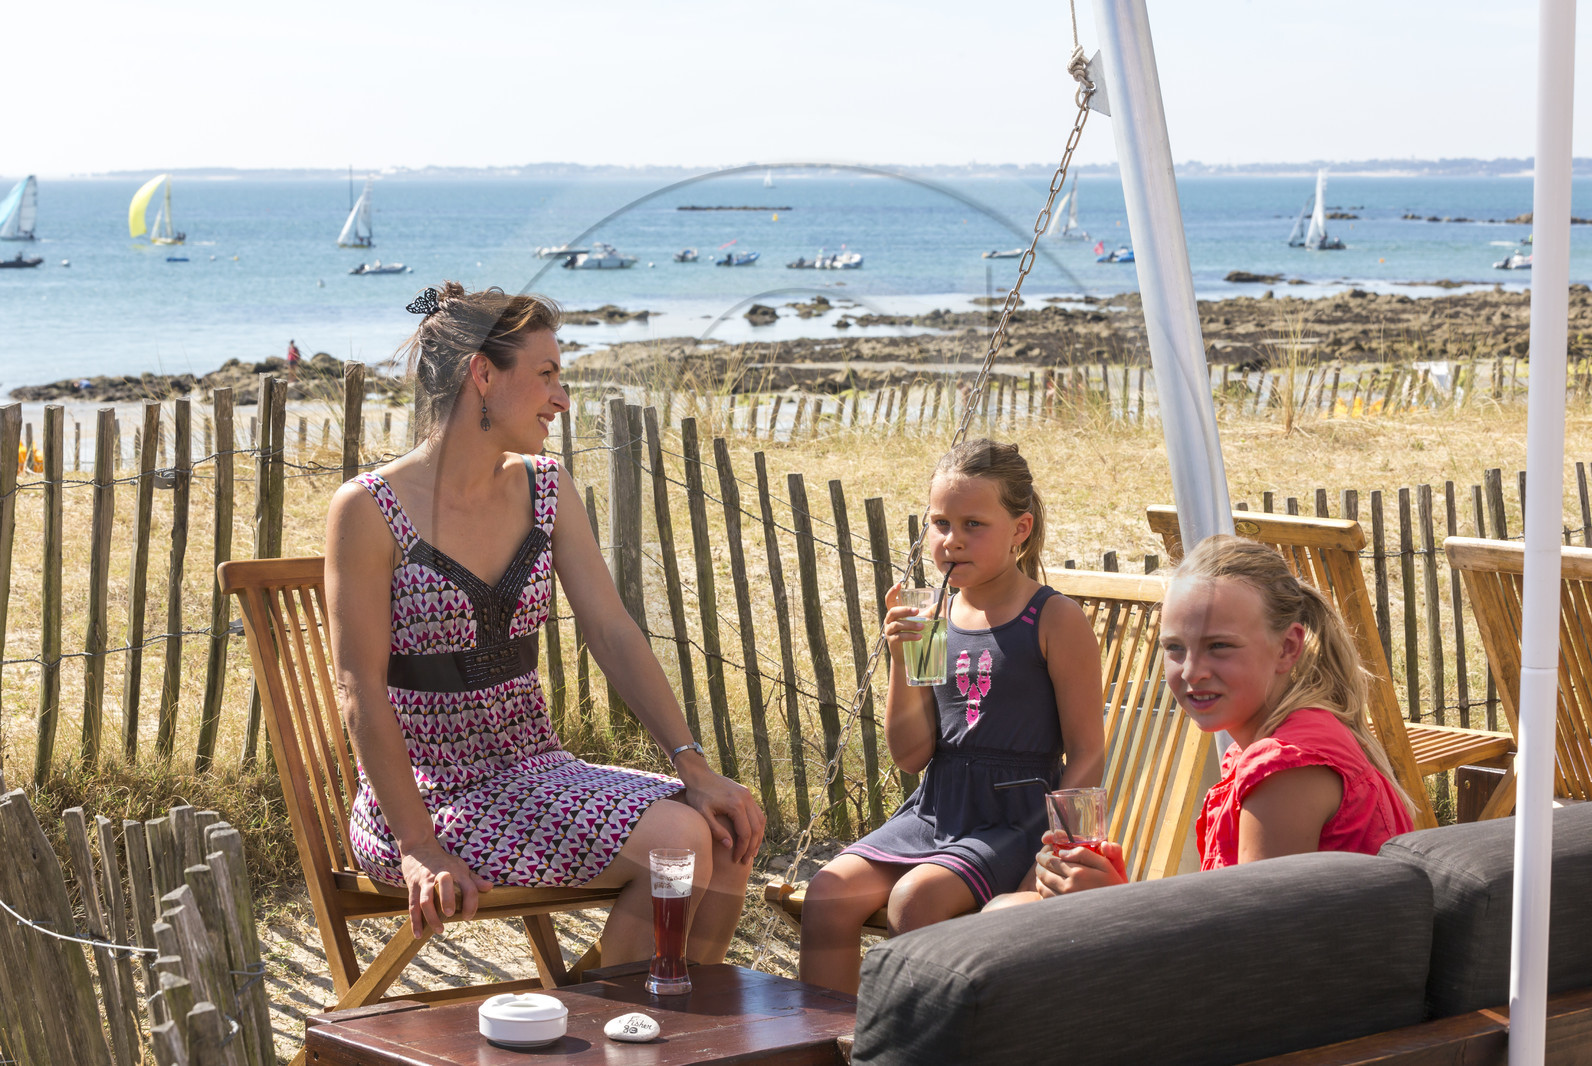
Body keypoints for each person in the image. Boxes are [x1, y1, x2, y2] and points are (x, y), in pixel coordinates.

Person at [326, 282, 764, 966]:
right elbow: (360, 689)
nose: (562, 399)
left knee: (726, 829)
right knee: (678, 844)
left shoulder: (545, 487)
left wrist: (694, 766)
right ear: (482, 375)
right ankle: (624, 1031)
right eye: (547, 375)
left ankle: (669, 1032)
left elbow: (612, 633)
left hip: (537, 773)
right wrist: (419, 847)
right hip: (429, 801)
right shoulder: (369, 508)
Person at [797, 439, 1105, 993]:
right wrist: (902, 654)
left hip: (1015, 818)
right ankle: (826, 1049)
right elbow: (911, 756)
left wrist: (1054, 854)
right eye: (939, 523)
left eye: (972, 524)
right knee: (826, 894)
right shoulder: (932, 617)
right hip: (938, 807)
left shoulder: (1054, 620)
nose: (951, 541)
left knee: (914, 900)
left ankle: (912, 1044)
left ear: (1020, 528)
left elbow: (1087, 752)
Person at [1005, 534, 1413, 902]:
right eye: (1175, 648)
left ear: (1288, 647)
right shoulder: (1281, 737)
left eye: (1219, 646)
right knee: (1008, 911)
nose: (1191, 671)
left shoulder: (1287, 766)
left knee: (1007, 922)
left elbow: (1249, 947)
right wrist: (1116, 892)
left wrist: (1115, 903)